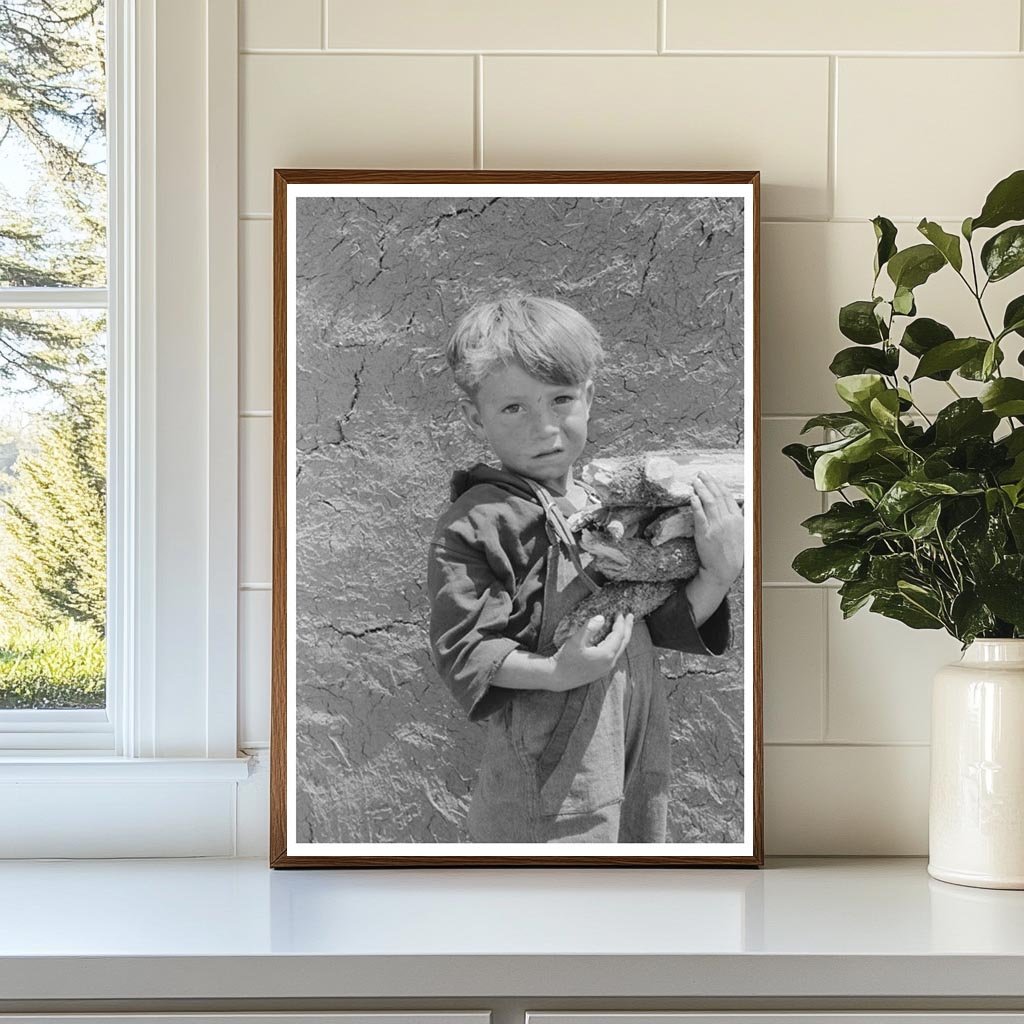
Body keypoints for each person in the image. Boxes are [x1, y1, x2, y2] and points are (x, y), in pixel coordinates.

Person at [426, 292, 744, 843]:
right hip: (551, 777)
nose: (544, 427)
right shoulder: (476, 523)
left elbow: (652, 621)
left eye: (561, 399)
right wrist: (557, 672)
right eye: (513, 408)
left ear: (589, 398)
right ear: (475, 417)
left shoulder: (611, 509)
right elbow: (465, 650)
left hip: (635, 747)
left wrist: (717, 574)